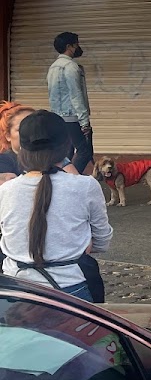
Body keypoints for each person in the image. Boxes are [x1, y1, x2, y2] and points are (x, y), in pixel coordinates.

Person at [0, 111, 112, 302]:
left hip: (16, 290)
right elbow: (102, 241)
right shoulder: (86, 186)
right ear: (67, 147)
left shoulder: (5, 190)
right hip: (71, 289)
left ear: (22, 150)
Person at [47, 32, 94, 175]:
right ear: (69, 47)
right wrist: (84, 122)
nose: (78, 47)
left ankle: (60, 178)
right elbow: (76, 95)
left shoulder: (53, 67)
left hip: (58, 117)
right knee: (85, 151)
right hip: (72, 117)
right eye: (76, 44)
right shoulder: (71, 67)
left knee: (67, 151)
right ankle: (70, 179)